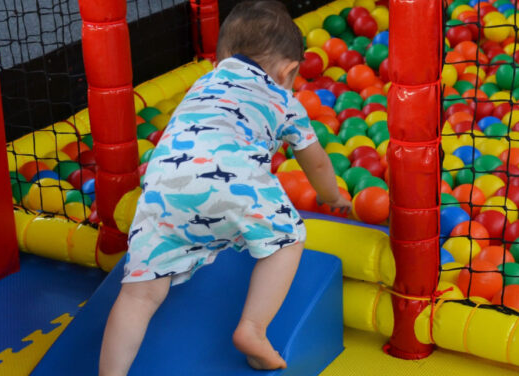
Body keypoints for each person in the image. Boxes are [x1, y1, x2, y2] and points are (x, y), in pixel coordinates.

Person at [99, 1, 352, 375]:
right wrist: (333, 197)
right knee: (288, 238)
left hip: (163, 186)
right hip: (233, 181)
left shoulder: (202, 84)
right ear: (289, 70)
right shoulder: (284, 100)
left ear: (221, 60)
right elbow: (315, 162)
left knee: (139, 295)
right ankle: (252, 329)